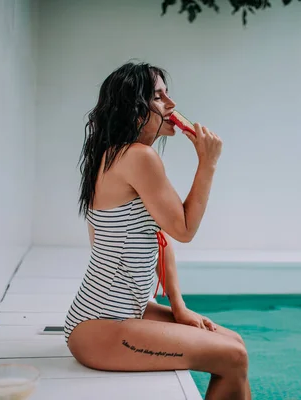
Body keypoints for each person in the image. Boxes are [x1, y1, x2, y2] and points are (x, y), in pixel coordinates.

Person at [62, 61, 251, 400]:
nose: (172, 105)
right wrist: (207, 162)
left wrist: (179, 307)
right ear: (135, 110)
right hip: (100, 325)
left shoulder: (113, 155)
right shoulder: (138, 157)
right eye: (160, 97)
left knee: (234, 342)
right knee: (232, 357)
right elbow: (184, 229)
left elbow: (161, 239)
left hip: (123, 310)